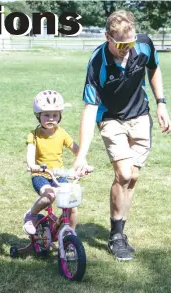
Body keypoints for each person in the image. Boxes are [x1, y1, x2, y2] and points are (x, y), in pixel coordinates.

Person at [73, 10, 171, 261]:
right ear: (108, 37)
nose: (127, 48)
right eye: (121, 44)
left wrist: (161, 103)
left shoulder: (144, 45)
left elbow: (154, 68)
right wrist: (81, 156)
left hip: (140, 115)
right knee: (123, 174)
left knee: (133, 177)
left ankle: (120, 232)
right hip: (110, 118)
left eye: (130, 42)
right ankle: (116, 236)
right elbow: (89, 109)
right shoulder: (98, 62)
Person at [23, 90, 80, 235]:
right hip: (41, 175)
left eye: (55, 115)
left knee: (72, 204)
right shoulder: (34, 135)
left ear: (60, 116)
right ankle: (31, 215)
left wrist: (82, 163)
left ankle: (70, 234)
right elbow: (30, 152)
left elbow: (76, 150)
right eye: (46, 115)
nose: (51, 118)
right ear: (38, 116)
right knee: (49, 196)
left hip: (58, 174)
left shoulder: (62, 133)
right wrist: (32, 165)